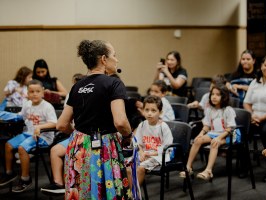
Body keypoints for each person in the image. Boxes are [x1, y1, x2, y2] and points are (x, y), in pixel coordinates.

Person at [56, 39, 132, 199]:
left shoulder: (77, 86)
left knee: (82, 192)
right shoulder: (114, 83)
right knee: (105, 192)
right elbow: (120, 122)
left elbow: (62, 124)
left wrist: (79, 136)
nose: (117, 59)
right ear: (104, 59)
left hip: (77, 147)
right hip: (105, 146)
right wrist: (128, 137)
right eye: (114, 55)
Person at [0, 79, 57, 192]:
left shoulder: (47, 106)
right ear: (27, 93)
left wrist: (40, 127)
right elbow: (21, 115)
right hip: (28, 134)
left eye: (37, 91)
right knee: (8, 145)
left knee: (22, 148)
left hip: (43, 137)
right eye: (31, 91)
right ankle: (9, 173)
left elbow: (54, 123)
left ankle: (25, 178)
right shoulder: (27, 104)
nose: (34, 94)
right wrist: (6, 116)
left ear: (43, 92)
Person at [40, 73, 85, 194]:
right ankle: (59, 183)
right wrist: (74, 133)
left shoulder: (90, 97)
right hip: (77, 135)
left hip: (89, 138)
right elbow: (63, 123)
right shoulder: (71, 96)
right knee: (55, 150)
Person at [179, 85, 237, 180]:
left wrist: (219, 138)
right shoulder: (210, 109)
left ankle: (208, 171)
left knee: (215, 143)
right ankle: (188, 167)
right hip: (214, 133)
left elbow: (230, 128)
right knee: (197, 140)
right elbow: (207, 125)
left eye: (218, 94)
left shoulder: (228, 110)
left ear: (224, 96)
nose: (214, 96)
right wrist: (201, 134)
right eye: (212, 94)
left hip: (228, 135)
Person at [127, 95, 173, 186]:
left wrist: (149, 154)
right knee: (127, 167)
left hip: (159, 156)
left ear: (160, 112)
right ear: (142, 110)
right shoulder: (142, 125)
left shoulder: (163, 127)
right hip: (145, 154)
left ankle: (134, 196)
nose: (149, 113)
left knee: (140, 168)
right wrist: (141, 152)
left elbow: (167, 148)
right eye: (147, 110)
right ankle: (131, 192)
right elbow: (137, 142)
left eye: (153, 110)